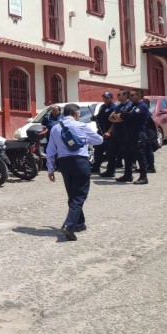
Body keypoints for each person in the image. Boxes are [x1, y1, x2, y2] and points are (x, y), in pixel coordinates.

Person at [45, 103, 103, 241]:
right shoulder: (81, 126)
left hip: (63, 163)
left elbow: (50, 150)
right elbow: (99, 140)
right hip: (80, 162)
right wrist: (85, 140)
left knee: (72, 194)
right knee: (79, 195)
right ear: (76, 114)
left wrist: (50, 168)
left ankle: (79, 223)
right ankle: (69, 225)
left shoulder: (55, 128)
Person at [110, 89, 150, 184]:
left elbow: (131, 115)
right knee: (127, 154)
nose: (131, 96)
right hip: (128, 134)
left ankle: (144, 177)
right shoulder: (133, 105)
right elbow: (121, 115)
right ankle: (128, 175)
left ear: (139, 96)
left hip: (138, 134)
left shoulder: (142, 106)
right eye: (131, 95)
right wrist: (121, 115)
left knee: (140, 155)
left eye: (134, 95)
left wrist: (122, 115)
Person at [100, 89, 131, 177]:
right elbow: (111, 118)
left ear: (125, 96)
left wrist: (118, 117)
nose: (118, 96)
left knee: (126, 153)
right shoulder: (119, 106)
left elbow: (122, 118)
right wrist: (117, 118)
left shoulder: (129, 105)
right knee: (111, 152)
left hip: (125, 132)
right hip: (116, 131)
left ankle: (128, 174)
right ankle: (110, 171)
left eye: (119, 95)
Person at [91, 92, 116, 174]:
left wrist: (109, 132)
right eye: (104, 97)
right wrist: (95, 118)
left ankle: (110, 170)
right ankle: (96, 167)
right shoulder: (102, 106)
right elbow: (99, 117)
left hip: (108, 132)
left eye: (107, 97)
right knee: (98, 150)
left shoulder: (113, 108)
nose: (105, 99)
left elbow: (114, 122)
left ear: (111, 98)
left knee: (110, 152)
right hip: (100, 131)